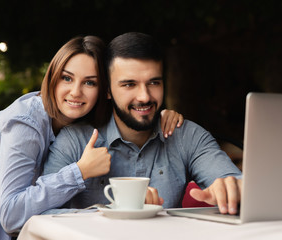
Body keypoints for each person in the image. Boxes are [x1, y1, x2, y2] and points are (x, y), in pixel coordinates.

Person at [0, 35, 184, 240]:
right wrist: (80, 171)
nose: (75, 92)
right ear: (53, 77)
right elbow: (12, 214)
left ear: (105, 91)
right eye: (66, 78)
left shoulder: (82, 122)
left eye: (90, 82)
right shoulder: (25, 124)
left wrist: (157, 115)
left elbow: (133, 106)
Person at [43, 32, 242, 215]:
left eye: (153, 82)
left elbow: (235, 182)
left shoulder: (186, 136)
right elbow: (41, 212)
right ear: (108, 91)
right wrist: (111, 213)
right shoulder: (75, 140)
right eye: (129, 84)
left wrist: (232, 188)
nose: (145, 96)